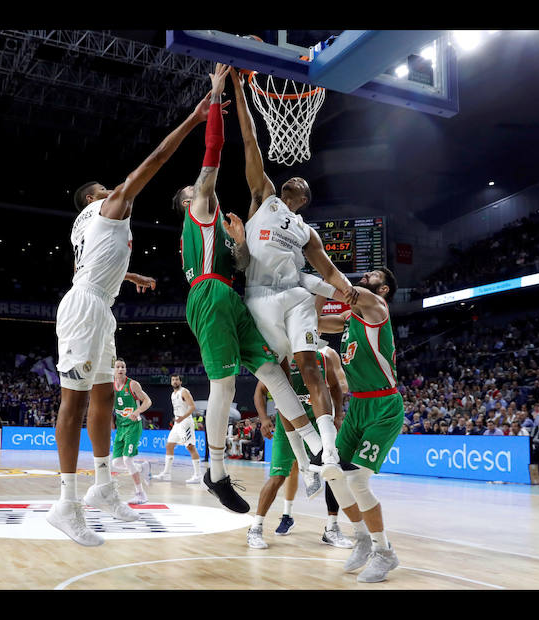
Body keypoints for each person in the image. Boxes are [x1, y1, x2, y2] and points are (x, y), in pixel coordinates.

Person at [47, 83, 213, 547]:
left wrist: (130, 277)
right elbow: (157, 159)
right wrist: (195, 118)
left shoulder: (87, 227)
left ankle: (103, 484)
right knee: (75, 402)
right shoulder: (108, 207)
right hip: (84, 309)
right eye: (105, 188)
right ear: (94, 199)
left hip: (99, 304)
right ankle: (66, 502)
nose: (115, 188)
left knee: (103, 395)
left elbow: (94, 267)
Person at [170, 63, 323, 512]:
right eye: (194, 188)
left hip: (229, 294)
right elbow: (214, 149)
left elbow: (236, 264)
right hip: (208, 295)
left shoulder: (215, 226)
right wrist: (217, 95)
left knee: (272, 370)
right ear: (187, 200)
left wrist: (239, 246)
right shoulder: (198, 205)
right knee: (222, 387)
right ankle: (216, 472)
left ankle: (314, 444)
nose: (203, 187)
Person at [229, 66, 359, 480]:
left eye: (303, 184)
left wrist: (348, 289)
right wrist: (237, 87)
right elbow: (251, 140)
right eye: (293, 179)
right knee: (278, 377)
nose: (296, 181)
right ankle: (306, 458)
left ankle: (328, 453)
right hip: (259, 297)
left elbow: (327, 268)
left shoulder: (307, 230)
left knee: (310, 365)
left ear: (303, 198)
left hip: (295, 296)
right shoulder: (263, 197)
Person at [315, 268, 402, 583]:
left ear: (385, 289)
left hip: (383, 405)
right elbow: (314, 323)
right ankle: (363, 538)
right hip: (358, 407)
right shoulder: (349, 320)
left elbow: (345, 290)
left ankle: (385, 552)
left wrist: (315, 273)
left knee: (358, 480)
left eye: (373, 275)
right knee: (332, 473)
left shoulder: (377, 310)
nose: (366, 276)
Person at [247, 342, 353, 550]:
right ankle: (256, 528)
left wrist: (339, 414)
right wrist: (263, 419)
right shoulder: (281, 359)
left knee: (333, 474)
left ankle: (332, 528)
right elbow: (259, 391)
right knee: (278, 477)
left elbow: (337, 387)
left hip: (316, 422)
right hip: (287, 424)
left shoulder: (323, 359)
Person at [110, 358, 152, 504]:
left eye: (123, 366)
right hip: (121, 427)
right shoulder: (111, 386)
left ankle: (141, 494)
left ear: (125, 369)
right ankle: (142, 467)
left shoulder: (133, 384)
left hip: (133, 426)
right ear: (113, 370)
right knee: (116, 462)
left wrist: (138, 411)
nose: (120, 369)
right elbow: (110, 406)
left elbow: (148, 401)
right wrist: (111, 422)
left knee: (128, 460)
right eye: (118, 367)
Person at [152, 374, 203, 484]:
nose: (175, 381)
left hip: (185, 422)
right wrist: (177, 419)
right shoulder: (172, 394)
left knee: (190, 447)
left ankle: (198, 475)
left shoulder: (184, 392)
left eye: (177, 380)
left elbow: (192, 406)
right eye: (173, 380)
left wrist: (182, 417)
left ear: (180, 381)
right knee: (169, 445)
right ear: (171, 382)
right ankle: (166, 473)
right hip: (178, 423)